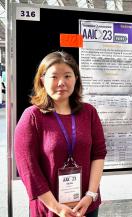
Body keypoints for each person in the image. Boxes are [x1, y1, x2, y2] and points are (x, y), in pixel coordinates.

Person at [14, 51, 107, 217]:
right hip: (48, 210)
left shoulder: (89, 112)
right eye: (54, 76)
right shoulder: (32, 116)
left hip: (86, 207)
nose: (61, 83)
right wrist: (57, 208)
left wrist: (91, 195)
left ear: (76, 79)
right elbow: (28, 168)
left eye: (67, 76)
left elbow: (98, 154)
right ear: (42, 80)